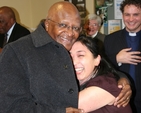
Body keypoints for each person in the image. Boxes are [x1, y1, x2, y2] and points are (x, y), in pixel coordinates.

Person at [0, 1, 131, 113]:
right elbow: (10, 106)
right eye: (63, 25)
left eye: (75, 28)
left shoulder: (71, 43)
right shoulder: (17, 51)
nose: (69, 33)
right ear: (47, 24)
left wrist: (122, 78)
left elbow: (97, 63)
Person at [70, 35, 132, 113]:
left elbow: (61, 107)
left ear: (97, 60)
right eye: (69, 56)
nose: (73, 62)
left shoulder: (104, 84)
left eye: (81, 55)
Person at [104, 0, 141, 112]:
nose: (131, 19)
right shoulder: (110, 39)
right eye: (127, 14)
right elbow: (101, 67)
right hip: (119, 100)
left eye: (136, 14)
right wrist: (116, 59)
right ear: (122, 15)